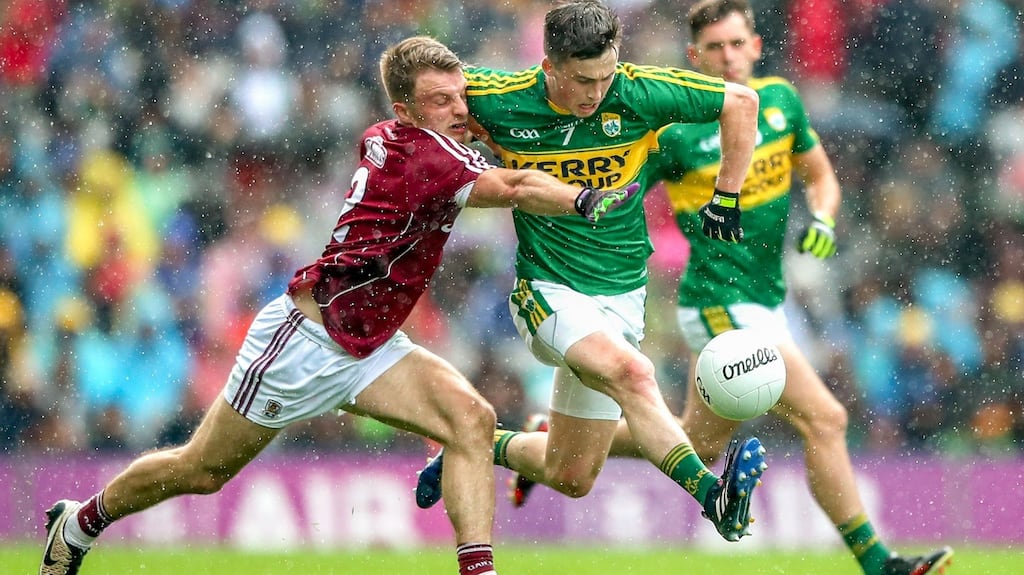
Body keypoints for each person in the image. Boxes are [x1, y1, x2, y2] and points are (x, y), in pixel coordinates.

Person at [38, 35, 640, 575]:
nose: (460, 109)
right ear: (405, 111)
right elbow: (512, 187)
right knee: (202, 470)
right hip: (305, 341)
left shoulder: (394, 137)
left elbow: (460, 153)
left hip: (372, 345)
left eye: (461, 96)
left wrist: (480, 128)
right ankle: (81, 521)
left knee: (472, 421)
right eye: (440, 101)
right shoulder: (425, 157)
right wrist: (584, 197)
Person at [508, 2, 956, 574]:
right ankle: (880, 564)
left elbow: (820, 176)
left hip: (771, 297)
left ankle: (547, 440)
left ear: (757, 45)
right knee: (826, 418)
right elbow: (614, 192)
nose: (728, 56)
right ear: (694, 58)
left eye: (736, 43)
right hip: (717, 300)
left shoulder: (781, 102)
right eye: (714, 48)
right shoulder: (675, 132)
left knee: (697, 444)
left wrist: (822, 218)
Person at [416, 0, 769, 543]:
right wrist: (449, 135)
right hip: (547, 288)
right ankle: (712, 495)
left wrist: (727, 197)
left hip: (623, 293)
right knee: (635, 374)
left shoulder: (639, 90)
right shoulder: (494, 94)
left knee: (571, 473)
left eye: (606, 76)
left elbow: (742, 103)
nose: (595, 92)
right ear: (550, 65)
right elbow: (422, 96)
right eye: (582, 80)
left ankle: (479, 446)